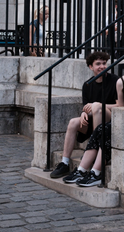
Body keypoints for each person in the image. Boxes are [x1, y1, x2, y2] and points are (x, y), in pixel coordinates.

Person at [63, 49, 124, 187]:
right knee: (102, 129)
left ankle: (95, 171)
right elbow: (122, 107)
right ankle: (82, 170)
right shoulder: (121, 82)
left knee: (104, 129)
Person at [50, 51, 118, 179]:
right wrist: (83, 114)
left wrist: (98, 105)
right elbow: (86, 107)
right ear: (90, 67)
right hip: (94, 120)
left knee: (97, 108)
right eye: (98, 64)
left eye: (104, 63)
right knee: (73, 122)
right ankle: (64, 163)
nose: (102, 66)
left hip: (110, 120)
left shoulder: (115, 80)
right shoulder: (87, 84)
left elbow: (121, 106)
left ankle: (96, 153)